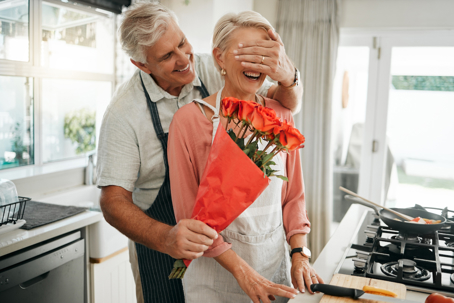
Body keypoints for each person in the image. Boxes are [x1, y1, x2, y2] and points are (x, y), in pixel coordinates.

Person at [96, 2, 303, 303]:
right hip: (160, 235)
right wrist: (168, 238)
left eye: (182, 43)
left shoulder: (209, 64)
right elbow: (112, 202)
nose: (183, 59)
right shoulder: (123, 114)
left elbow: (280, 103)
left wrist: (289, 76)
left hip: (220, 241)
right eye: (167, 56)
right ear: (142, 65)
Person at [168, 11, 322, 303]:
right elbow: (190, 218)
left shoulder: (281, 115)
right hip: (215, 277)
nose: (256, 64)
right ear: (220, 57)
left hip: (274, 268)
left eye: (263, 55)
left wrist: (300, 254)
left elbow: (293, 198)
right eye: (245, 53)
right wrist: (243, 272)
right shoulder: (188, 122)